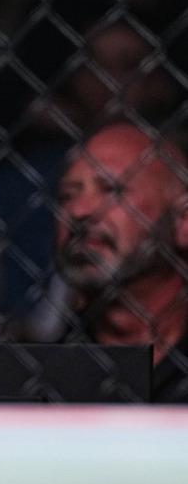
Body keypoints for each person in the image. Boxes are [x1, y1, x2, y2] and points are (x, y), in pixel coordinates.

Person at [54, 122, 188, 402]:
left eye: (112, 190)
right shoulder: (46, 375)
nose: (79, 211)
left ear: (183, 221)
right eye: (68, 195)